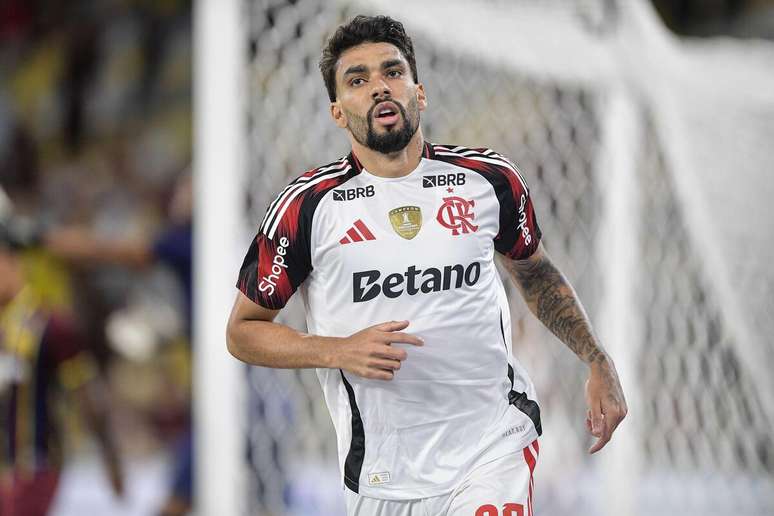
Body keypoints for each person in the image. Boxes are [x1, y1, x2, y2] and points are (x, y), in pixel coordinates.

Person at [226, 15, 627, 516]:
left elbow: (536, 273)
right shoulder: (306, 207)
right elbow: (242, 332)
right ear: (337, 112)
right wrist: (337, 350)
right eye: (358, 80)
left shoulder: (489, 180)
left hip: (492, 444)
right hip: (382, 470)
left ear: (419, 92)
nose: (378, 88)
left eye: (392, 72)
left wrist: (596, 358)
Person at [0, 220, 124, 516]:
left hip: (32, 470)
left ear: (12, 264)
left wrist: (111, 459)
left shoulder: (50, 327)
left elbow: (87, 395)